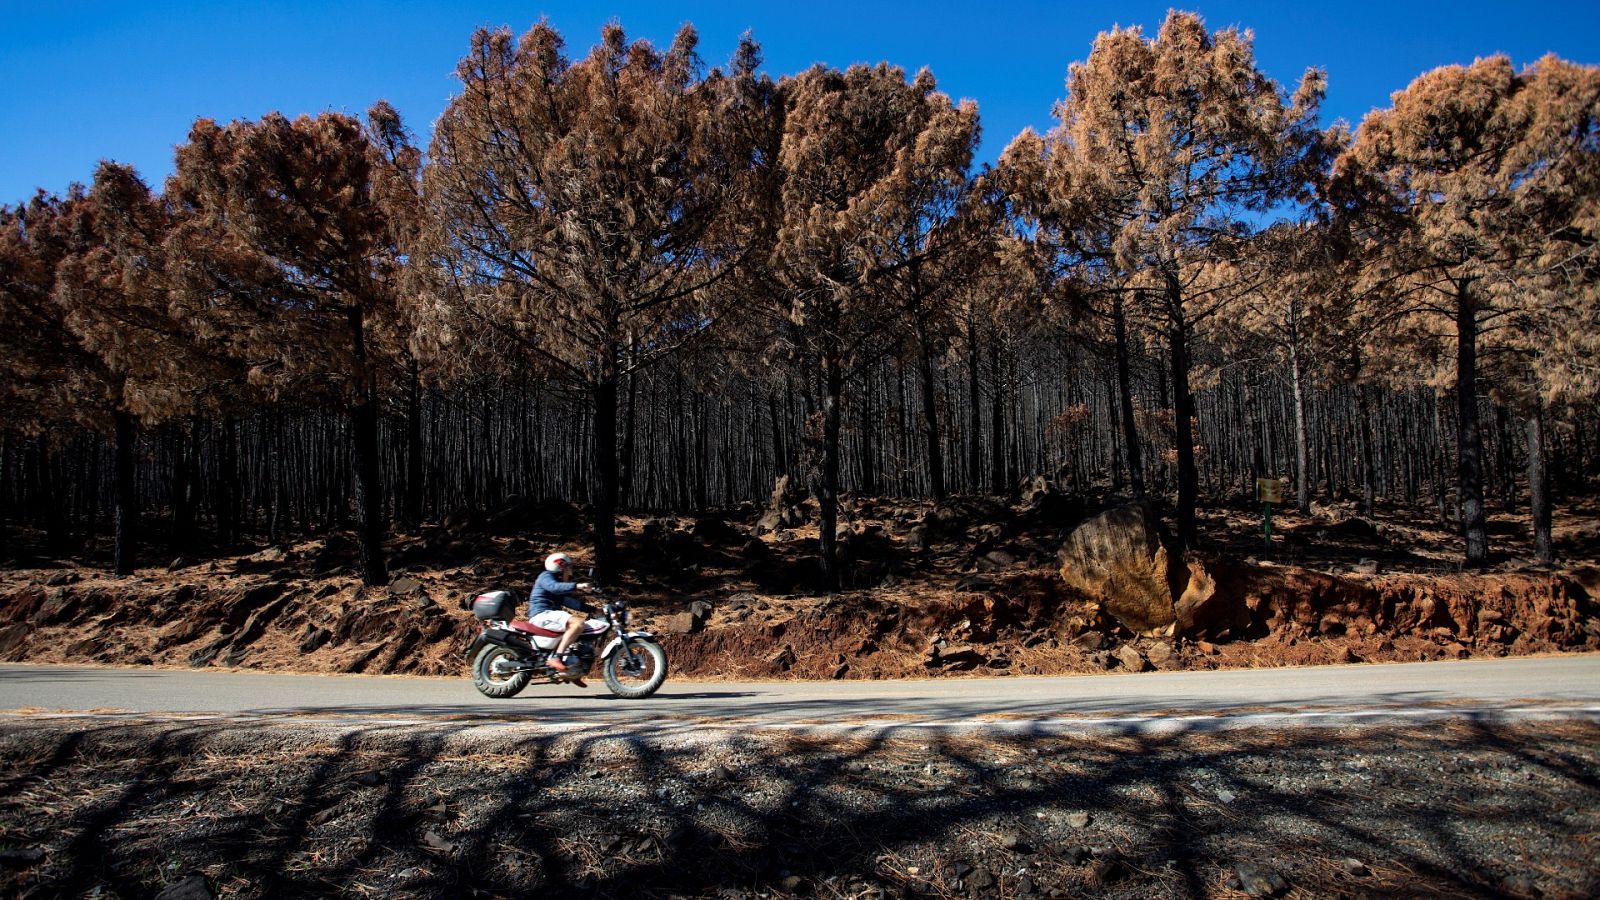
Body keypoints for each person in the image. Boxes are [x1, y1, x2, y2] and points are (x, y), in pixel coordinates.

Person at [528, 551, 594, 684]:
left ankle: (570, 669)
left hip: (549, 615)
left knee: (582, 630)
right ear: (560, 567)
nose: (570, 572)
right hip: (542, 614)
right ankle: (557, 658)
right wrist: (577, 585)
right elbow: (554, 587)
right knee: (577, 624)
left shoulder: (556, 586)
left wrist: (594, 609)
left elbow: (569, 602)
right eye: (568, 568)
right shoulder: (545, 577)